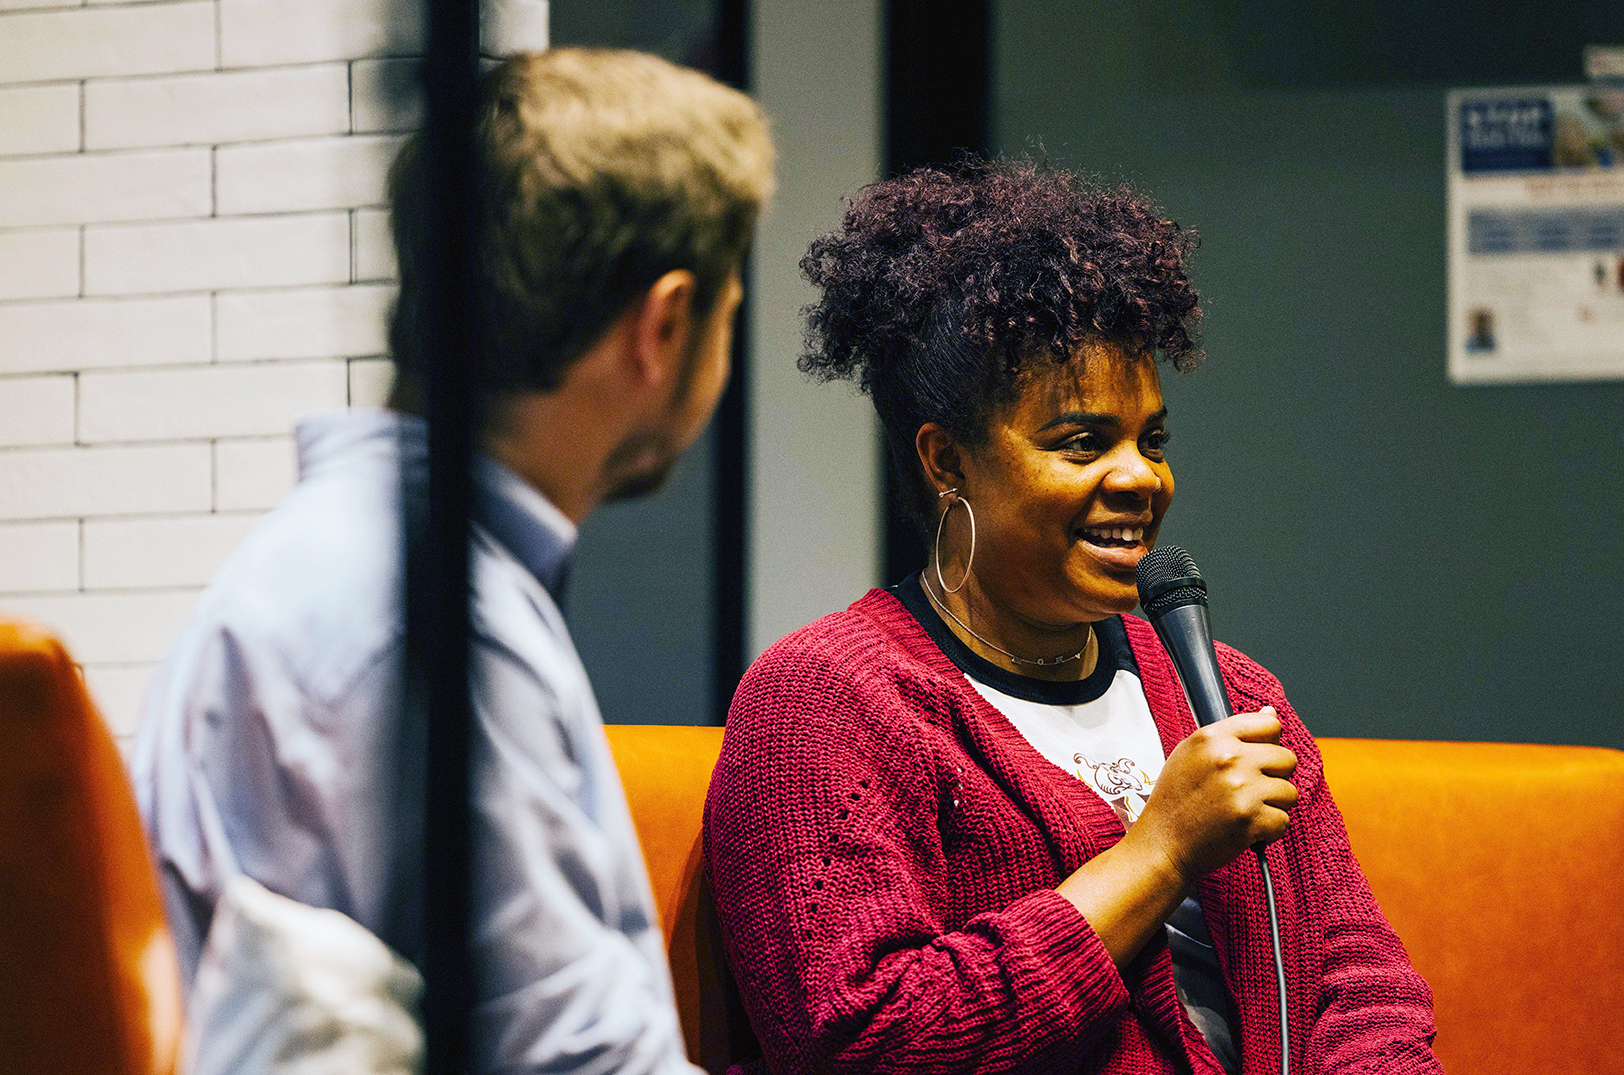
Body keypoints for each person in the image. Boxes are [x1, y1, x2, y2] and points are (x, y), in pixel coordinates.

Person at [703, 161, 1442, 1074]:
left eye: (1153, 440)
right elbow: (866, 1040)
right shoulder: (827, 703)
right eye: (1083, 441)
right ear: (948, 463)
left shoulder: (1234, 695)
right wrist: (1159, 853)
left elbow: (1360, 989)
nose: (1140, 477)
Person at [131, 48, 773, 1074]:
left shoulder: (365, 563)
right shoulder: (434, 618)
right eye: (730, 315)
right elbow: (577, 1064)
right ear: (660, 326)